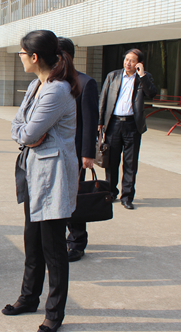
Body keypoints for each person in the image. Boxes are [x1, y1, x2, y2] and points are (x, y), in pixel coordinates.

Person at [5, 30, 80, 332]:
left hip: (53, 178)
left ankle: (54, 313)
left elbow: (27, 134)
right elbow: (17, 127)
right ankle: (28, 297)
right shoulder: (37, 85)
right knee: (32, 242)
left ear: (34, 57)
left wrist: (27, 133)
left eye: (22, 53)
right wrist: (27, 133)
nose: (20, 57)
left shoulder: (56, 90)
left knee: (53, 248)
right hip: (35, 173)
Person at [98, 48, 157, 210]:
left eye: (132, 60)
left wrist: (142, 75)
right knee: (111, 161)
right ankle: (110, 192)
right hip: (114, 124)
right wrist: (100, 121)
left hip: (133, 125)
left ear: (139, 63)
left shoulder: (143, 78)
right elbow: (103, 98)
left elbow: (152, 93)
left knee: (130, 163)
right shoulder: (113, 76)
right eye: (126, 59)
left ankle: (127, 197)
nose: (128, 63)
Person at [58, 37, 99, 263]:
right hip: (56, 151)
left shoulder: (85, 83)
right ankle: (61, 236)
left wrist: (87, 154)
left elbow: (90, 121)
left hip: (75, 151)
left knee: (75, 197)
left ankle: (76, 241)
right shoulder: (53, 83)